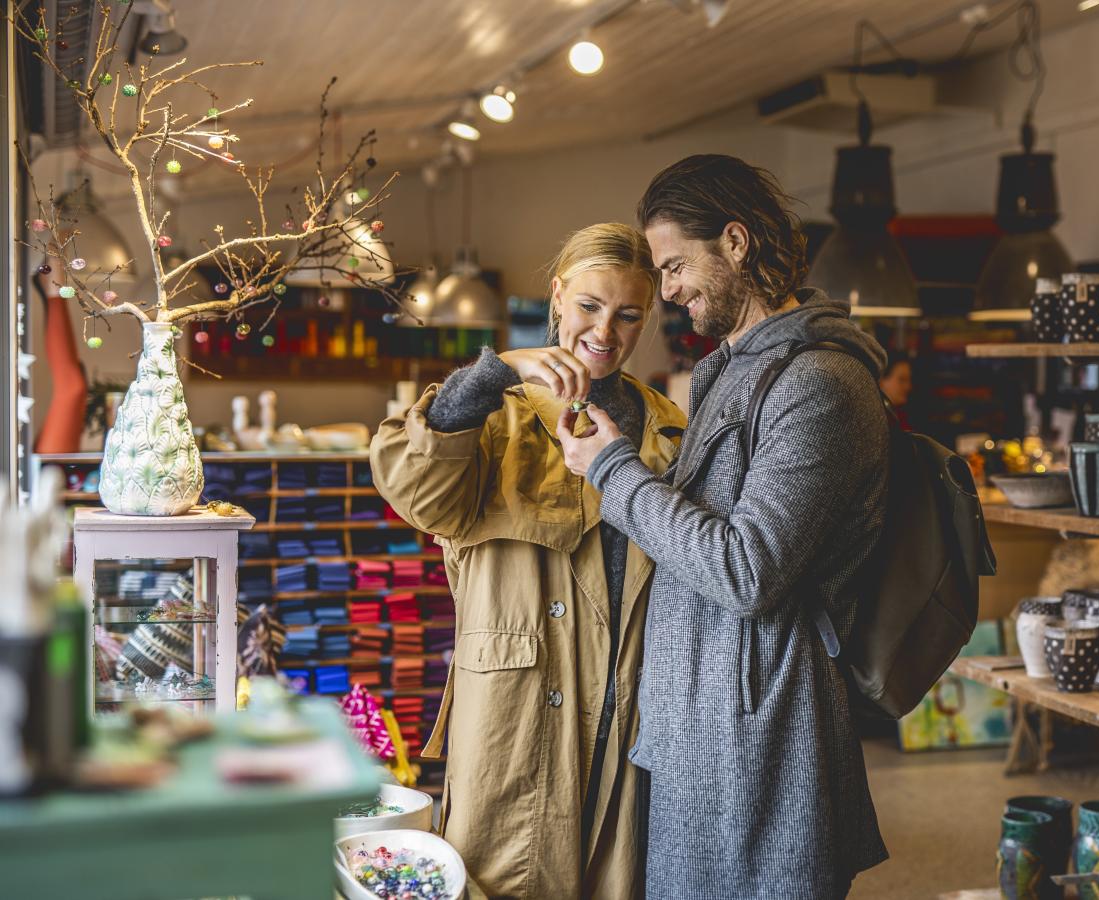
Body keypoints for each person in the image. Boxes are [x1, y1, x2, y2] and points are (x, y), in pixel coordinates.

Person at [557, 155, 889, 899]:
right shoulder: (728, 369)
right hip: (698, 727)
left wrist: (612, 468)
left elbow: (748, 571)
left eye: (676, 266)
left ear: (735, 243)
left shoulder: (821, 383)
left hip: (762, 734)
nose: (667, 290)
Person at [369, 223, 686, 900]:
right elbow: (416, 489)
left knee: (620, 876)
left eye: (629, 314)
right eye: (590, 307)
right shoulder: (496, 413)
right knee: (508, 874)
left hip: (629, 702)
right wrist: (499, 369)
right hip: (519, 705)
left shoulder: (668, 427)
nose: (605, 331)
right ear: (557, 297)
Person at [878, 349, 913, 430]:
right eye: (902, 379)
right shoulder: (877, 419)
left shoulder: (901, 416)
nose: (908, 387)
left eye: (908, 380)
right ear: (882, 381)